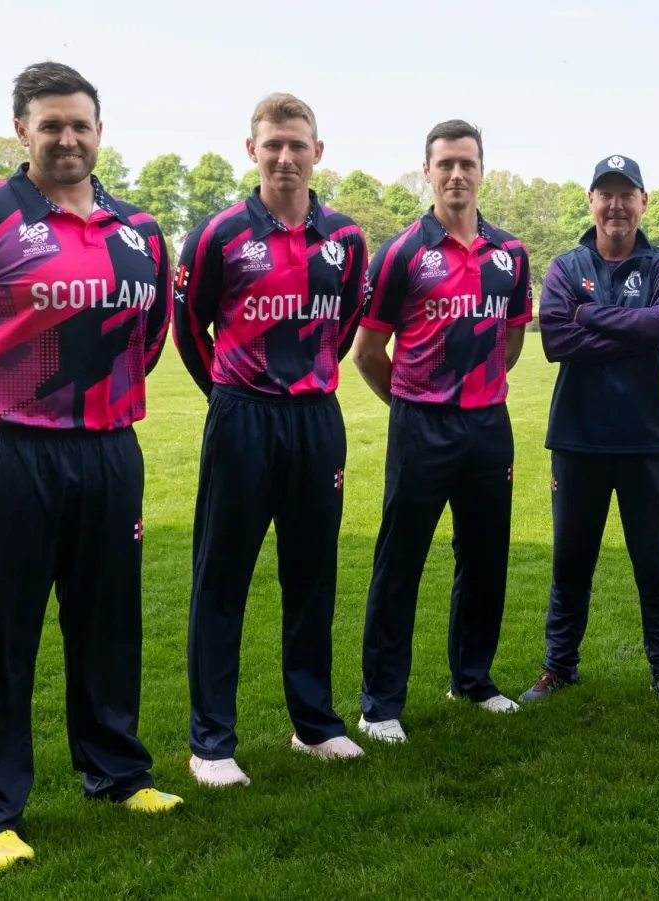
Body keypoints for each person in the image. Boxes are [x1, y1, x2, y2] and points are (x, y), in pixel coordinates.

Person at [0, 61, 180, 871]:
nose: (67, 138)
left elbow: (151, 332)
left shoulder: (140, 232)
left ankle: (118, 771)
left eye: (80, 124)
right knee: (0, 627)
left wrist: (105, 406)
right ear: (21, 130)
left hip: (109, 448)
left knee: (108, 616)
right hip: (8, 451)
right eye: (50, 124)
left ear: (100, 132)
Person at [174, 93, 369, 788]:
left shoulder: (346, 239)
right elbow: (189, 328)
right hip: (241, 417)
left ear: (319, 151)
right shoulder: (220, 234)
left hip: (316, 419)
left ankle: (314, 724)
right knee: (221, 577)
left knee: (313, 575)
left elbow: (343, 325)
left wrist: (305, 382)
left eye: (298, 144)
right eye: (272, 144)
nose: (285, 156)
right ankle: (211, 741)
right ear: (251, 150)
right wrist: (228, 395)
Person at [352, 119, 532, 743]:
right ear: (427, 172)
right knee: (400, 562)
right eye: (445, 164)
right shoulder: (402, 252)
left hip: (488, 426)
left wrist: (476, 389)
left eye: (468, 163)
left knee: (484, 558)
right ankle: (380, 704)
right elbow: (369, 352)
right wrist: (411, 401)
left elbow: (510, 339)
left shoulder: (511, 254)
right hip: (420, 424)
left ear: (483, 171)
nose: (457, 174)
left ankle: (473, 680)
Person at [522, 154, 659, 708]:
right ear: (591, 201)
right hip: (578, 439)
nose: (617, 204)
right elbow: (555, 340)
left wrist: (591, 316)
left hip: (648, 441)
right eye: (607, 193)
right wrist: (637, 331)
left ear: (644, 202)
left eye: (628, 193)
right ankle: (559, 666)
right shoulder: (567, 266)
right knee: (570, 561)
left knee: (656, 565)